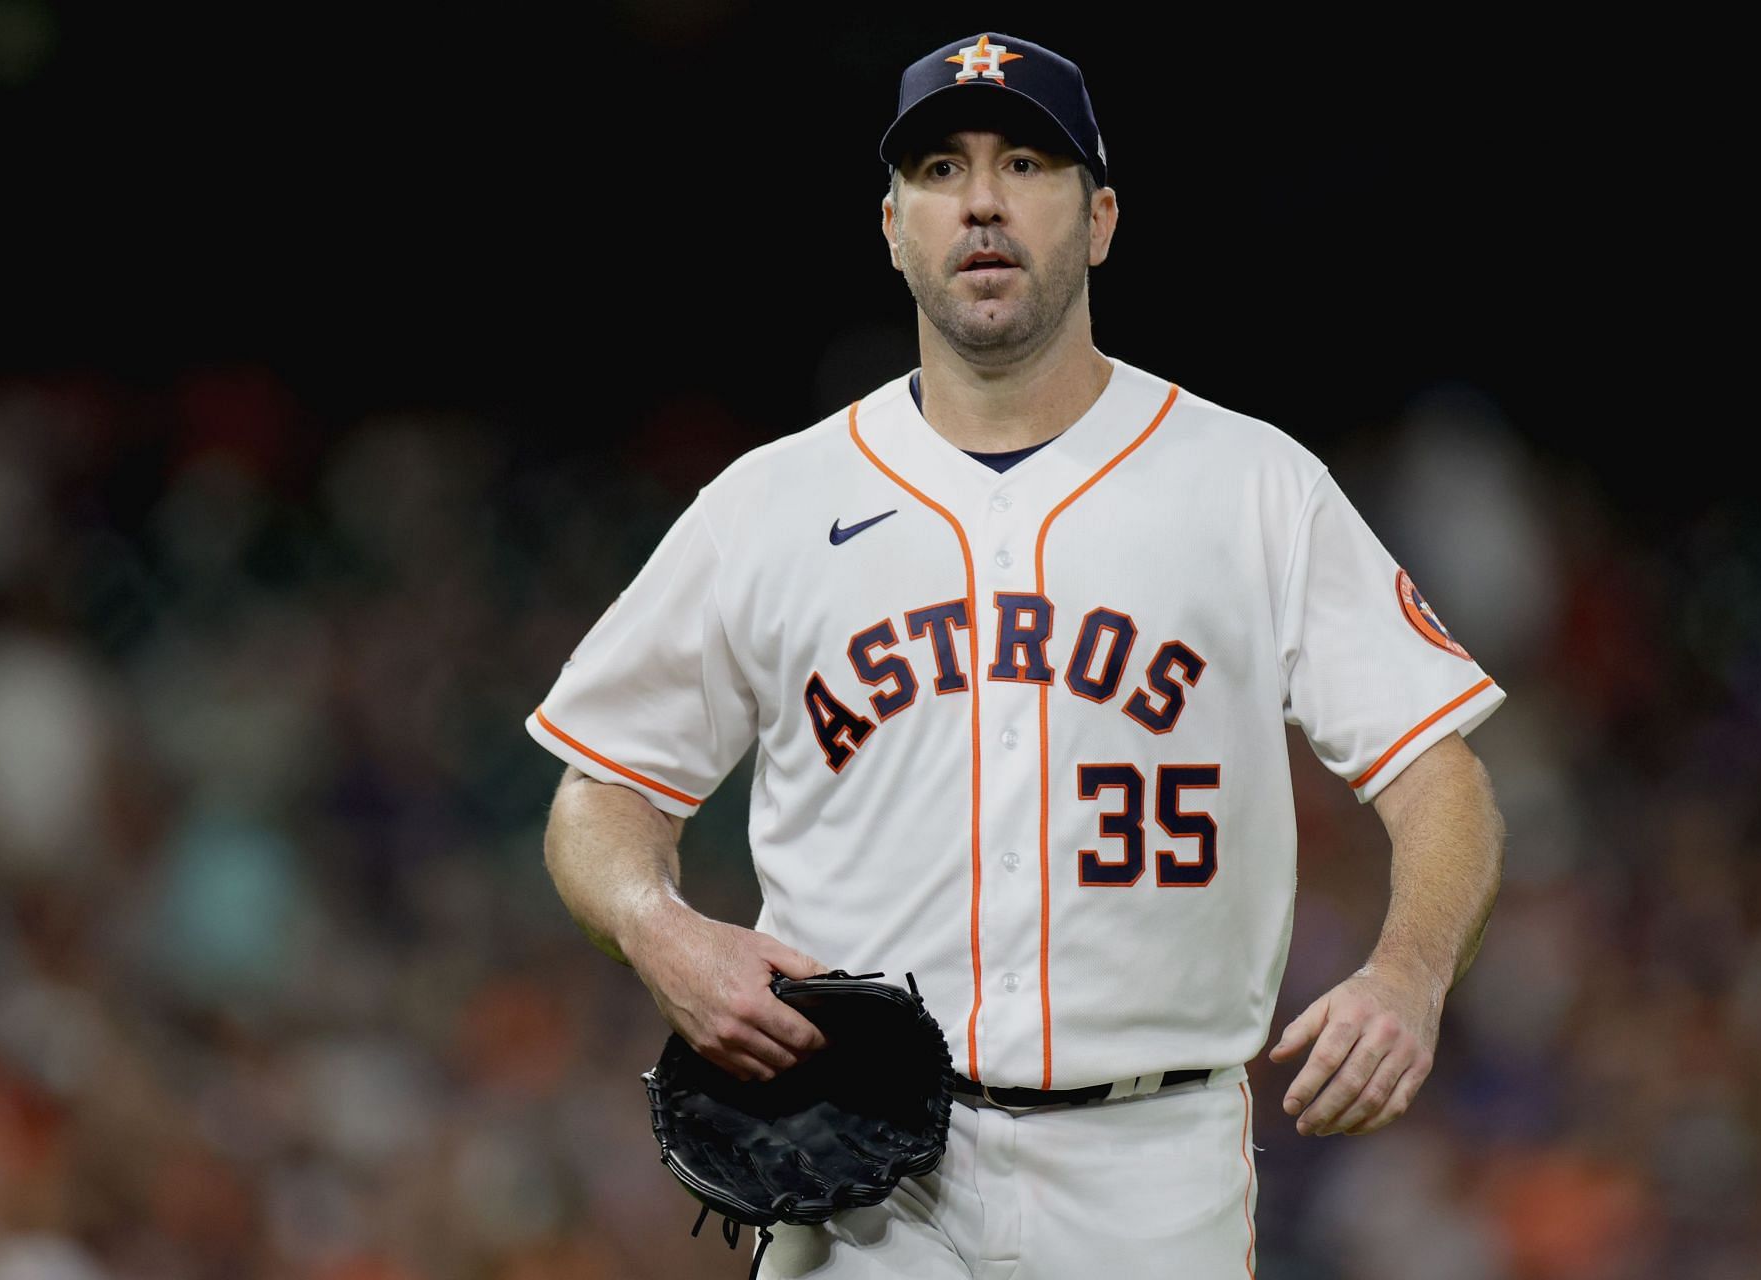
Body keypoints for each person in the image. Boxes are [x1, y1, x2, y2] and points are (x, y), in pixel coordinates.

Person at [526, 30, 1508, 1279]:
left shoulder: (1254, 485)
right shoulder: (769, 504)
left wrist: (1410, 972)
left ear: (1099, 218)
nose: (981, 199)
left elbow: (1441, 773)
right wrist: (657, 924)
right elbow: (601, 789)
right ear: (892, 225)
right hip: (858, 1161)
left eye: (1026, 162)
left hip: (1149, 1161)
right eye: (940, 167)